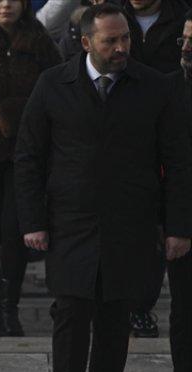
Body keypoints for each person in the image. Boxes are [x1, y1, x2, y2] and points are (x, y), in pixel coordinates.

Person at [14, 2, 192, 372]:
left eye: (125, 39)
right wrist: (33, 220)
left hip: (127, 226)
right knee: (71, 321)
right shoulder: (54, 84)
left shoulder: (152, 87)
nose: (120, 48)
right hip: (70, 224)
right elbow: (30, 156)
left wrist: (177, 227)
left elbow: (176, 161)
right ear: (85, 41)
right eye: (110, 40)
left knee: (115, 321)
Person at [0, 0, 60, 337]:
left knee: (13, 229)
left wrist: (14, 111)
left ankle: (10, 306)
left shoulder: (38, 39)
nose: (6, 4)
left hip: (25, 152)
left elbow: (55, 88)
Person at [122, 0, 189, 338]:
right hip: (128, 133)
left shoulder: (181, 16)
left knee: (166, 225)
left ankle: (141, 304)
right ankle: (129, 302)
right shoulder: (112, 16)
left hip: (171, 129)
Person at [168, 10, 192, 372]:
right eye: (185, 39)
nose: (187, 48)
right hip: (184, 217)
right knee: (185, 310)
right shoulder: (170, 89)